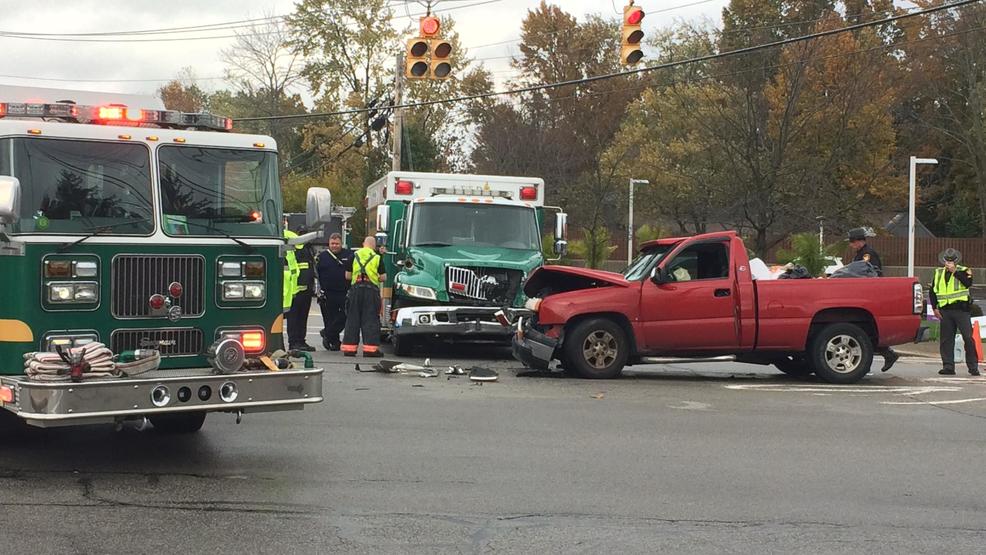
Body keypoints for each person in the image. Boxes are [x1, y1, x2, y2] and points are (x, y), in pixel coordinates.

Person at [848, 227, 899, 371]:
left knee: (866, 330)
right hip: (862, 295)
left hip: (869, 295)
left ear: (858, 241)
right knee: (864, 331)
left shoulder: (867, 254)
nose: (851, 245)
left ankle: (884, 355)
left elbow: (870, 273)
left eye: (852, 242)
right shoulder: (861, 254)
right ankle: (886, 354)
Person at [930, 248, 980, 376]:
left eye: (951, 261)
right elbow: (933, 291)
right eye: (946, 260)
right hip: (945, 311)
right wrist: (935, 307)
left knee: (968, 338)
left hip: (961, 310)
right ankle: (948, 366)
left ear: (956, 262)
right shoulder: (938, 272)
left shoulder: (964, 270)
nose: (948, 263)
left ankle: (973, 366)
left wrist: (955, 272)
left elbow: (968, 283)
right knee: (946, 340)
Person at [341, 236, 387, 358]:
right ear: (374, 246)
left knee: (352, 318)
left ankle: (349, 349)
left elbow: (347, 276)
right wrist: (373, 276)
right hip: (371, 291)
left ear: (363, 244)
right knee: (370, 319)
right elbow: (383, 278)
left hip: (355, 290)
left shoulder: (354, 255)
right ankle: (370, 350)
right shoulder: (377, 257)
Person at [315, 233, 353, 351]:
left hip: (344, 292)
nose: (335, 246)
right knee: (330, 318)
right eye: (332, 244)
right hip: (327, 293)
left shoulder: (349, 255)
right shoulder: (322, 257)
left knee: (345, 316)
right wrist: (318, 291)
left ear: (341, 244)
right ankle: (334, 342)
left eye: (337, 244)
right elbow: (317, 274)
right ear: (329, 244)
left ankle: (327, 333)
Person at [285, 225, 316, 352]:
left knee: (303, 317)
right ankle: (294, 342)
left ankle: (301, 341)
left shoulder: (308, 248)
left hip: (307, 288)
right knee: (294, 317)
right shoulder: (295, 249)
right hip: (296, 289)